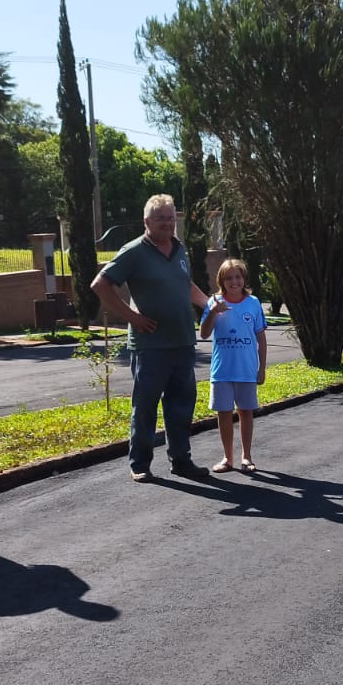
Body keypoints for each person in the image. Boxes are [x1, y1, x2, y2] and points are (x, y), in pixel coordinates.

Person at [89, 194, 221, 481]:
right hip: (151, 346)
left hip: (183, 342)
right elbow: (100, 284)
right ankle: (140, 464)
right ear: (146, 221)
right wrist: (133, 317)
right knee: (146, 406)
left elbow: (185, 284)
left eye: (171, 217)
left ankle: (181, 461)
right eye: (160, 218)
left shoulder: (179, 248)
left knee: (181, 405)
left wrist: (210, 305)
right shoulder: (134, 251)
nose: (167, 223)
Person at [199, 257, 268, 473]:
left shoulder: (253, 303)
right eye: (229, 278)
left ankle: (246, 457)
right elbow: (203, 333)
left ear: (243, 278)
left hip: (246, 369)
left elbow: (261, 338)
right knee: (224, 413)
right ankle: (227, 458)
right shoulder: (214, 302)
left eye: (237, 277)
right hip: (222, 371)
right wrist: (213, 312)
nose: (234, 282)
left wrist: (261, 367)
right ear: (222, 280)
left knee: (246, 412)